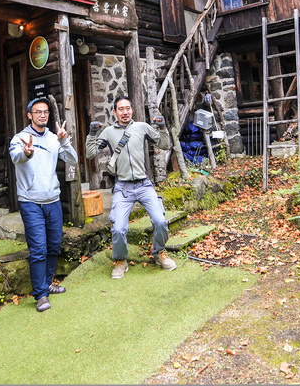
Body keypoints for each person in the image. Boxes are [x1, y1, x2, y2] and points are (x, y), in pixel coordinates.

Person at [86, 95, 175, 278]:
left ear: (132, 109)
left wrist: (163, 127)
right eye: (121, 109)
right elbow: (90, 153)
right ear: (115, 112)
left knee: (160, 221)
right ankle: (120, 260)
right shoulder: (109, 132)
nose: (125, 112)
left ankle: (159, 253)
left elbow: (165, 144)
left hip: (144, 185)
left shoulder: (142, 127)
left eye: (128, 108)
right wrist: (92, 134)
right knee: (118, 228)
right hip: (122, 188)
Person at [9, 97, 77, 312]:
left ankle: (47, 284)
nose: (42, 115)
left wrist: (64, 141)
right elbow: (16, 158)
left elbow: (73, 159)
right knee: (38, 249)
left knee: (54, 245)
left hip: (53, 201)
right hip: (31, 202)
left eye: (45, 112)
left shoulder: (53, 138)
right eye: (38, 112)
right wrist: (26, 153)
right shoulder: (19, 138)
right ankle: (40, 295)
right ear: (29, 115)